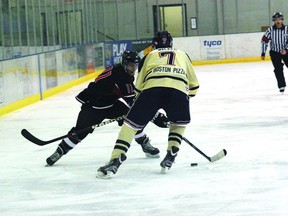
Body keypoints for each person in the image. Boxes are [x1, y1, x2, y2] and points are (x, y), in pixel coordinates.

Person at [97, 31, 199, 178]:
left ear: (154, 44)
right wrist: (183, 99)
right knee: (178, 123)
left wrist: (143, 108)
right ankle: (171, 154)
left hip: (152, 90)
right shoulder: (183, 55)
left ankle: (115, 159)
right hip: (178, 91)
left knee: (130, 125)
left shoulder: (148, 56)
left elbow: (138, 88)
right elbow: (194, 86)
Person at [46, 51, 169, 166]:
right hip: (93, 106)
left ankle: (144, 143)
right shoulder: (122, 77)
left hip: (111, 104)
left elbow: (132, 101)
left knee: (131, 119)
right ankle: (60, 151)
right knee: (80, 132)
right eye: (131, 65)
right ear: (125, 64)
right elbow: (134, 103)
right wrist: (155, 116)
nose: (134, 68)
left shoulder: (121, 71)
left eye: (135, 65)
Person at [261, 12, 288, 93]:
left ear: (282, 20)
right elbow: (264, 41)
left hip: (286, 51)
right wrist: (263, 52)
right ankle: (281, 85)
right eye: (276, 19)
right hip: (274, 52)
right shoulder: (270, 30)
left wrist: (286, 49)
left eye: (279, 19)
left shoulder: (287, 29)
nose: (278, 21)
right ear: (274, 21)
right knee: (278, 69)